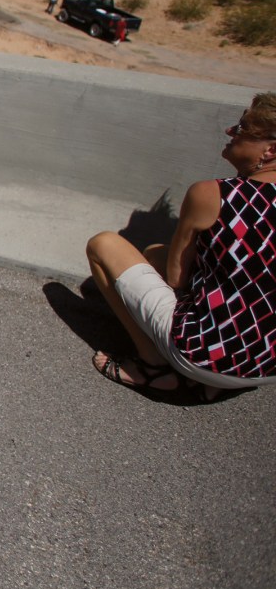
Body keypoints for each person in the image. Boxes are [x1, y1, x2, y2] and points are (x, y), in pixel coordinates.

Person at [87, 95, 276, 400]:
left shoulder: (213, 194)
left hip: (200, 355)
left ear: (270, 150)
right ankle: (222, 379)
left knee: (103, 245)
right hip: (268, 367)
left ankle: (153, 367)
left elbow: (176, 278)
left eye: (242, 128)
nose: (230, 131)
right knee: (155, 255)